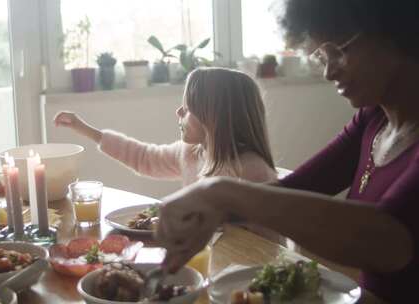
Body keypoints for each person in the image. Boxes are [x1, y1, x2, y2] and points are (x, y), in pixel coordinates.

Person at [155, 1, 419, 302]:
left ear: (396, 30)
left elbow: (390, 240)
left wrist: (222, 191)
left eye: (341, 51)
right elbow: (295, 189)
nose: (329, 72)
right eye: (322, 56)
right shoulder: (374, 119)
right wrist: (207, 213)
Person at [54, 67, 280, 240]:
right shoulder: (192, 153)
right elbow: (144, 158)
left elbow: (266, 243)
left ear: (215, 117)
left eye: (188, 107)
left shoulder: (252, 172)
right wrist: (84, 129)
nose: (178, 111)